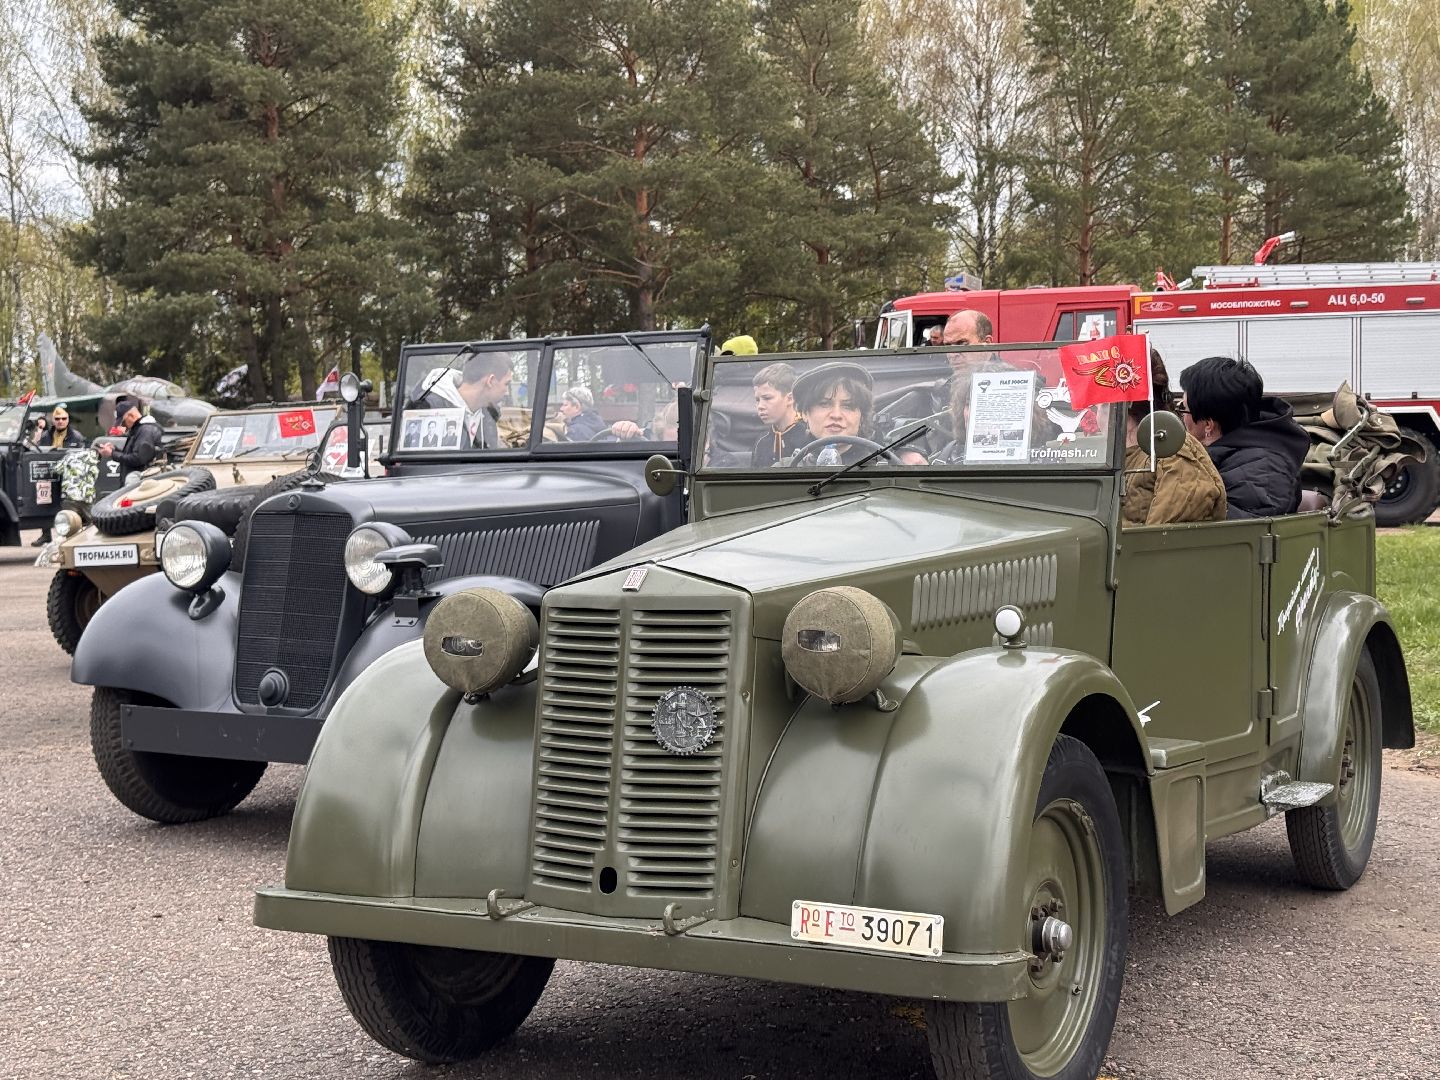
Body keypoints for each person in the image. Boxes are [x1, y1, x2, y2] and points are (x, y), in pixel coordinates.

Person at [1178, 356, 1308, 519]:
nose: (1182, 418)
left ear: (1208, 425)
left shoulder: (1259, 474)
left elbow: (1236, 534)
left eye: (1183, 409)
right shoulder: (1243, 456)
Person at [1122, 352, 1226, 526]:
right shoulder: (1111, 454)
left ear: (1122, 410)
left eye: (1102, 406)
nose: (1096, 415)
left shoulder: (1173, 452)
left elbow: (1160, 541)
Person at [422, 352, 513, 449]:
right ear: (491, 381)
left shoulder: (488, 416)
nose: (507, 392)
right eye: (506, 384)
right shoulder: (429, 408)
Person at [750, 362, 809, 467]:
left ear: (790, 398)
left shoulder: (810, 436)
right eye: (757, 400)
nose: (760, 406)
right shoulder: (761, 442)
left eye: (767, 398)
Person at [98, 395, 161, 473]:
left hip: (138, 481)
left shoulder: (145, 430)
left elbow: (138, 458)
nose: (123, 426)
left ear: (131, 416)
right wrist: (115, 450)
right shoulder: (138, 429)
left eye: (123, 422)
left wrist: (112, 453)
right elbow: (133, 453)